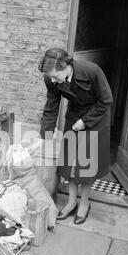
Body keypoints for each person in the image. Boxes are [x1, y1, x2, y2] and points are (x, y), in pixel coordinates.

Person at [38, 48, 113, 225]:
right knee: (70, 163)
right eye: (51, 77)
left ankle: (84, 204)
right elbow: (52, 105)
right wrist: (46, 134)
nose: (53, 80)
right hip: (74, 116)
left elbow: (106, 101)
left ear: (67, 66)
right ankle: (71, 202)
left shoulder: (91, 71)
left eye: (56, 76)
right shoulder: (51, 77)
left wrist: (85, 121)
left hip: (95, 118)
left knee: (85, 165)